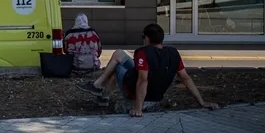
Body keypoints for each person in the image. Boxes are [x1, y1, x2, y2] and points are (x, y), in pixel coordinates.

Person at [78, 23, 219, 117]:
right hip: (157, 94)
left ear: (147, 38)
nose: (142, 40)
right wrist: (202, 102)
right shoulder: (173, 53)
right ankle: (99, 88)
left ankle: (100, 90)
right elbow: (186, 78)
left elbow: (143, 80)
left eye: (143, 37)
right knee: (119, 53)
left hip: (135, 91)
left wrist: (138, 108)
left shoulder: (143, 52)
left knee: (116, 67)